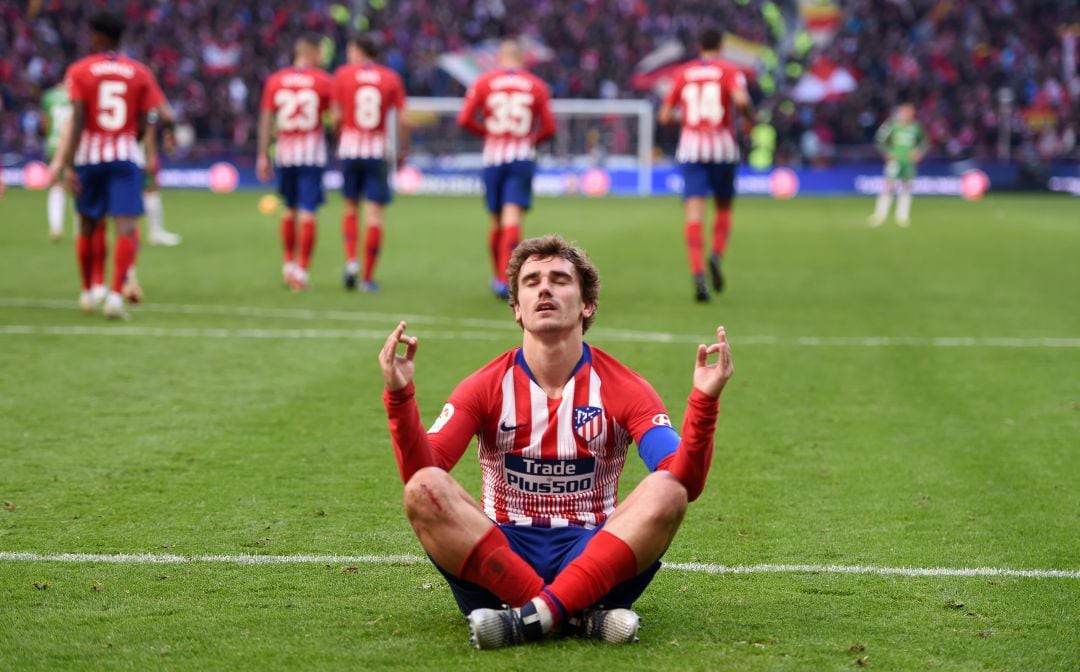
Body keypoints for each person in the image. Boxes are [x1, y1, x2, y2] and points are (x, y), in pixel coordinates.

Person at [378, 234, 734, 649]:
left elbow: (684, 480)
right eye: (531, 281)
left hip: (596, 559)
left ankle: (529, 618)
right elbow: (423, 471)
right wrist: (399, 396)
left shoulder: (625, 387)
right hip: (500, 560)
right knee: (423, 489)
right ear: (516, 309)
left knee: (667, 491)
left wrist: (704, 401)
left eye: (560, 279)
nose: (544, 288)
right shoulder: (484, 386)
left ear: (587, 305)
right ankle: (576, 617)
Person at [50, 10, 172, 320]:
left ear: (98, 37)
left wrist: (67, 163)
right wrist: (137, 136)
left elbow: (76, 118)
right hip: (124, 157)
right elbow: (151, 117)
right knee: (126, 226)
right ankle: (116, 296)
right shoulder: (140, 72)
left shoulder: (80, 70)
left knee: (89, 224)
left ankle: (89, 290)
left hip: (89, 157)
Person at [457, 38, 556, 300]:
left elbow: (464, 118)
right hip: (521, 156)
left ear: (500, 57)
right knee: (512, 218)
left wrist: (487, 132)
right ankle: (505, 278)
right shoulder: (537, 85)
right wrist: (530, 140)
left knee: (495, 220)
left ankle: (498, 278)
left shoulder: (484, 82)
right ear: (522, 59)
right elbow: (549, 128)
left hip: (493, 158)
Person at [659, 27, 752, 302]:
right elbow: (741, 100)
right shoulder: (729, 70)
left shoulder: (683, 73)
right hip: (722, 147)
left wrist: (686, 118)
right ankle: (716, 254)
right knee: (723, 207)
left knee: (694, 215)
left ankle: (698, 275)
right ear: (721, 46)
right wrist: (749, 116)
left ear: (699, 46)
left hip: (692, 149)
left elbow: (664, 116)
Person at [257, 33, 333, 291]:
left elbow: (267, 118)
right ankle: (301, 270)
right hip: (311, 155)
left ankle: (288, 264)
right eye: (320, 52)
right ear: (310, 52)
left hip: (285, 155)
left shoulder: (276, 80)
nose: (323, 57)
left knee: (288, 209)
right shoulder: (323, 81)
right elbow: (334, 117)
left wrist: (262, 154)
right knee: (308, 211)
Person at [331, 34, 408, 293]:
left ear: (358, 50)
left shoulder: (343, 74)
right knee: (374, 214)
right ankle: (367, 278)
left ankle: (352, 260)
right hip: (377, 150)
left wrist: (339, 136)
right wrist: (402, 150)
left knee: (350, 207)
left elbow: (336, 116)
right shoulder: (390, 77)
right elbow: (403, 118)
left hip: (351, 148)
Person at [868, 102, 928, 227]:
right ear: (900, 112)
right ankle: (880, 215)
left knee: (906, 187)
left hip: (908, 162)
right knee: (888, 186)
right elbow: (879, 140)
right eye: (905, 112)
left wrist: (918, 152)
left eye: (910, 112)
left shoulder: (916, 127)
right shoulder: (892, 125)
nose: (907, 115)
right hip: (894, 161)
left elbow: (925, 143)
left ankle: (902, 216)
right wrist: (887, 153)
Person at [41, 78, 73, 242]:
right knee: (77, 186)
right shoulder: (78, 94)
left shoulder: (49, 96)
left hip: (53, 144)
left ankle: (56, 227)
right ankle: (80, 229)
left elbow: (45, 123)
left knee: (56, 185)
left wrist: (48, 140)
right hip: (74, 146)